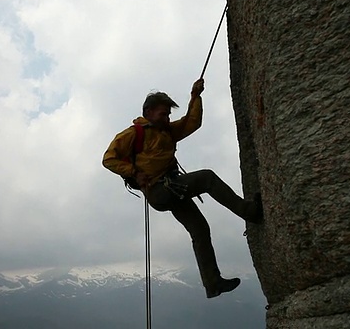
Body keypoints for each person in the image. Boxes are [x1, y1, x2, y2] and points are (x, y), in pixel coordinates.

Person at [102, 78, 263, 298]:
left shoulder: (166, 131)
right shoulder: (133, 134)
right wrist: (133, 172)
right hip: (160, 190)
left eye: (168, 114)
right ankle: (249, 211)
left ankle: (213, 284)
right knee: (206, 178)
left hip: (171, 189)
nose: (167, 118)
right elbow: (108, 159)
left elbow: (191, 123)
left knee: (200, 229)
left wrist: (195, 97)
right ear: (148, 112)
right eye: (163, 114)